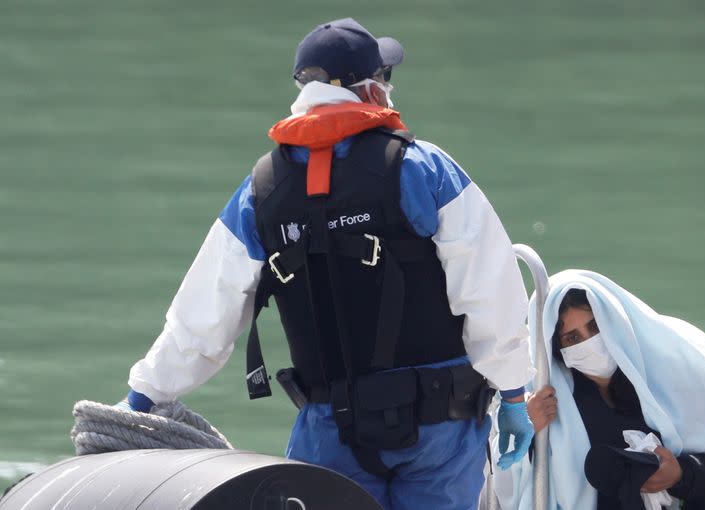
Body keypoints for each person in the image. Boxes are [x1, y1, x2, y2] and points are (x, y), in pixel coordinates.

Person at [117, 18, 535, 510]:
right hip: (439, 430)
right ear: (370, 88)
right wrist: (512, 395)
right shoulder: (424, 168)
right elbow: (489, 289)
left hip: (329, 431)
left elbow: (203, 317)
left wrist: (143, 397)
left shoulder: (262, 191)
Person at [490, 269, 705, 510]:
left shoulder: (671, 373)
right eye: (572, 338)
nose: (589, 342)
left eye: (594, 327)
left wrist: (680, 474)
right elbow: (505, 484)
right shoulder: (540, 398)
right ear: (556, 350)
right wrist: (529, 431)